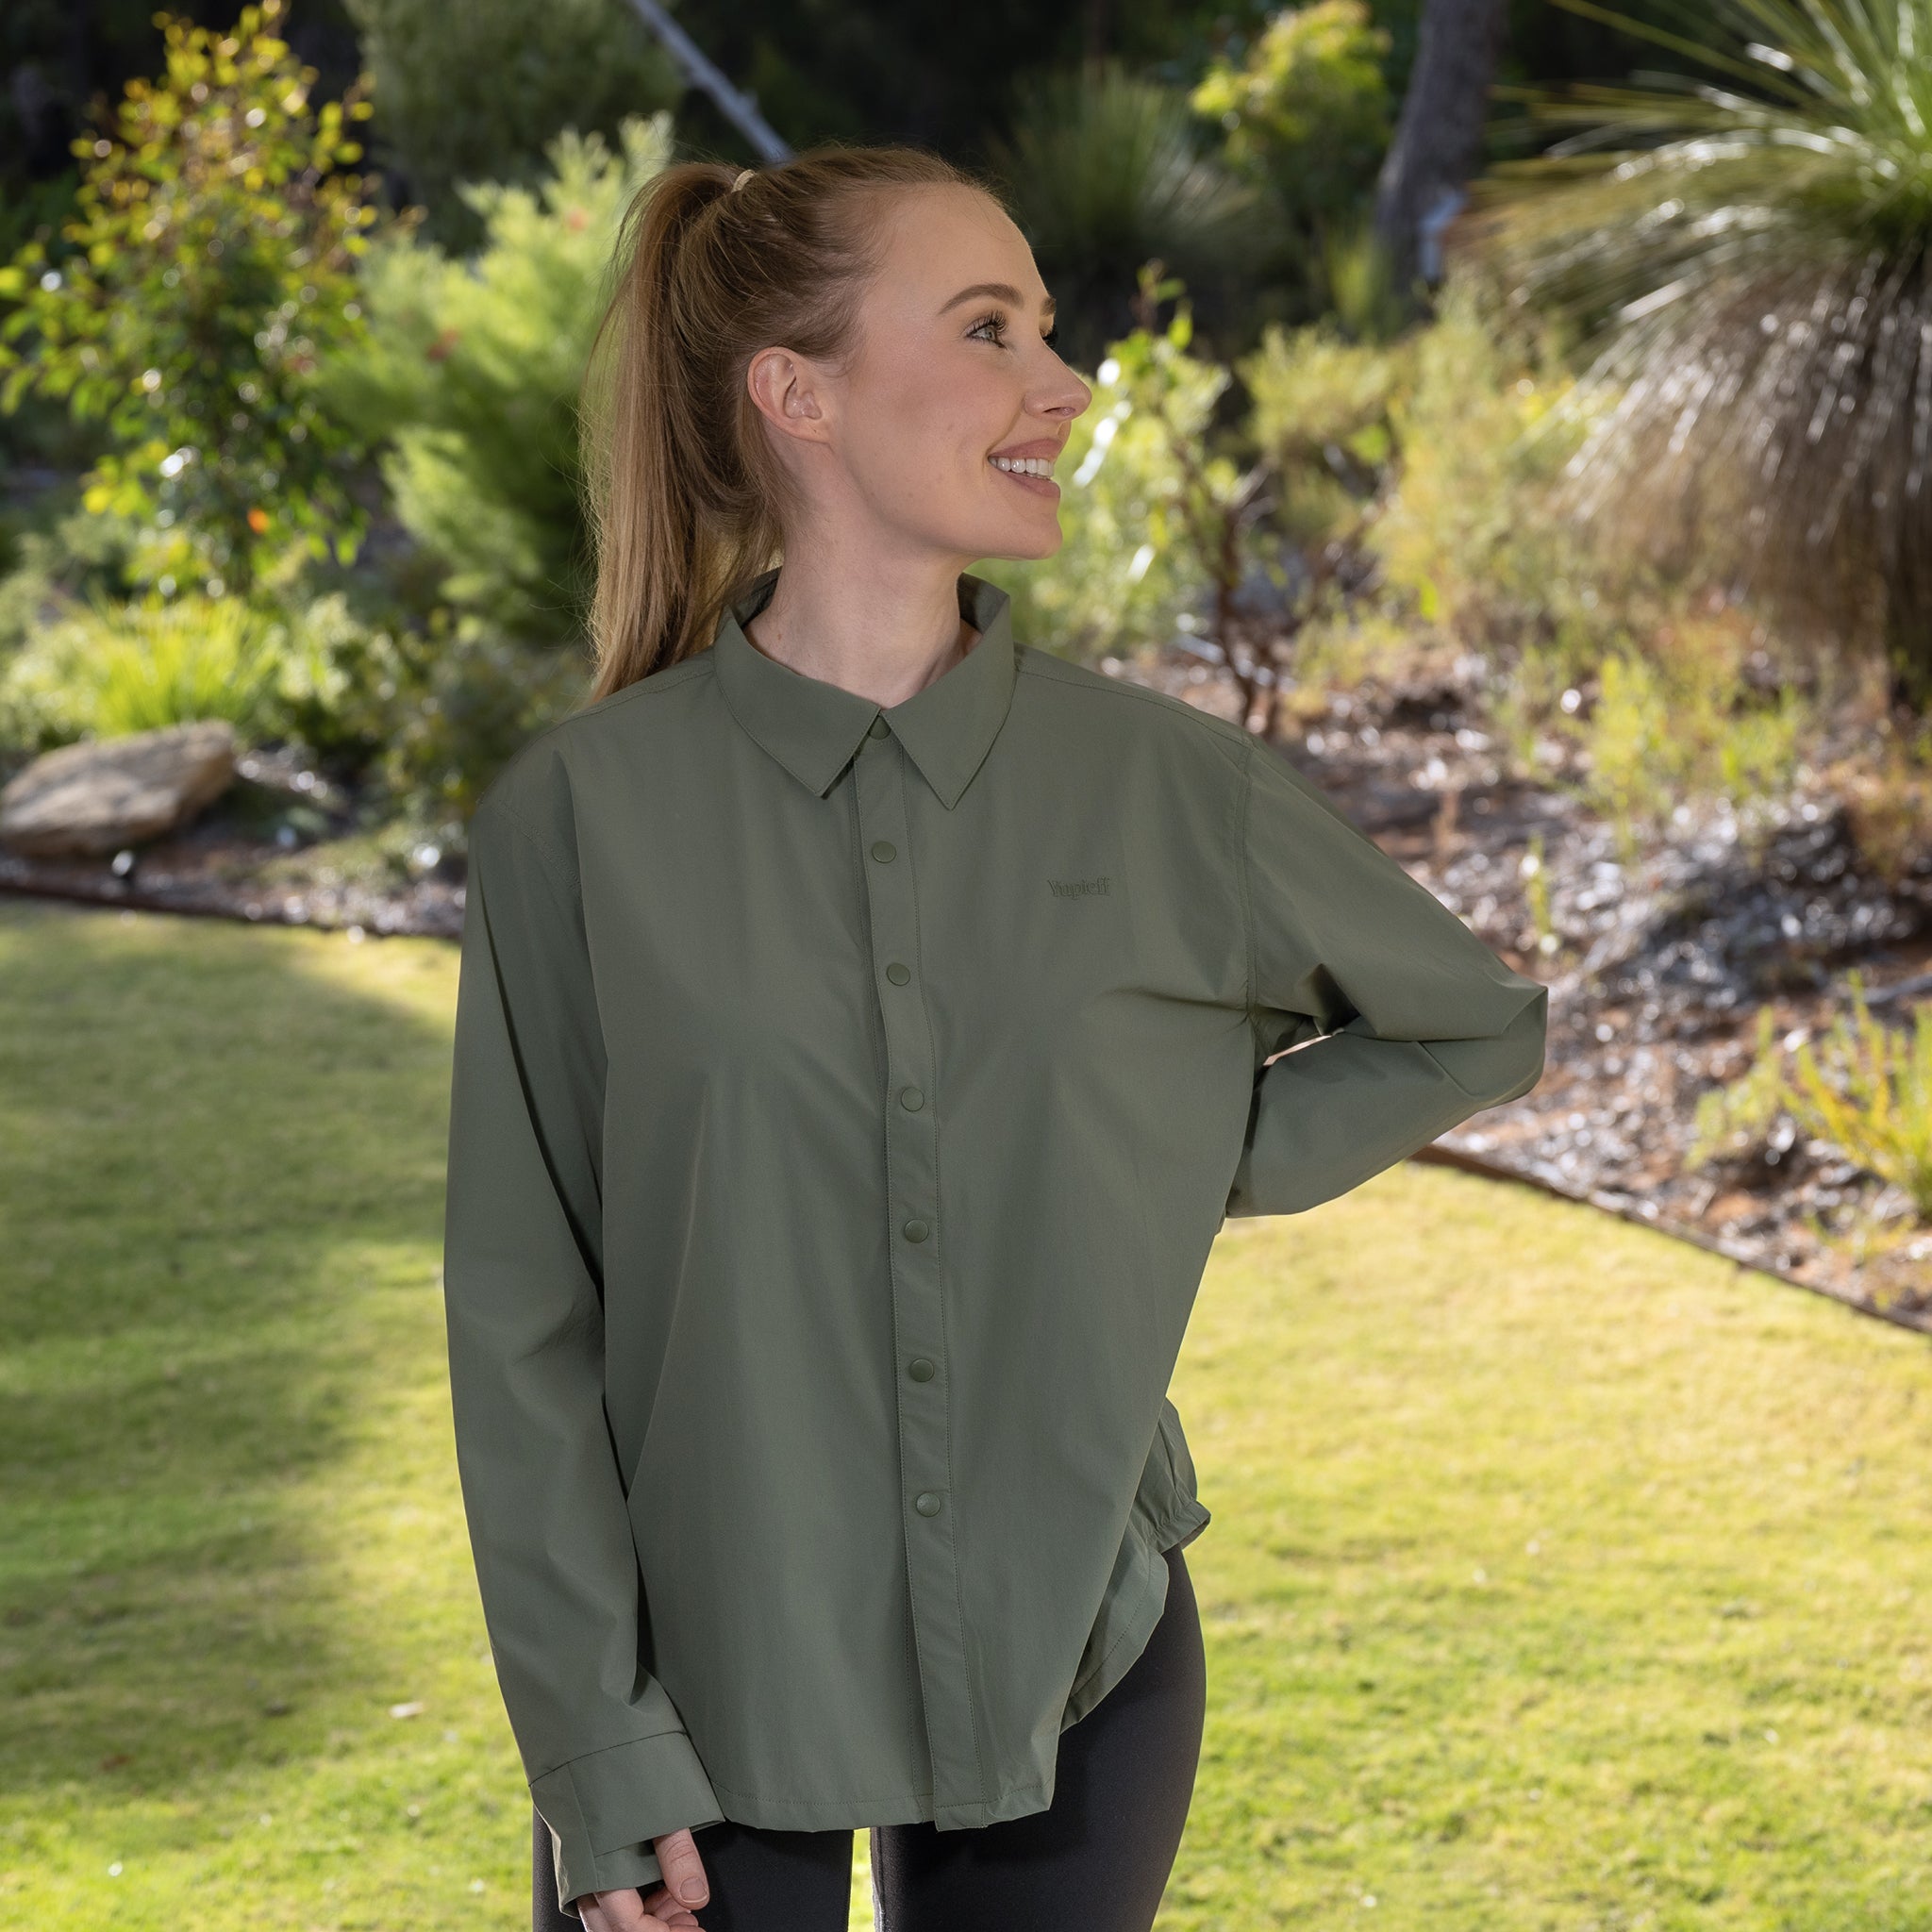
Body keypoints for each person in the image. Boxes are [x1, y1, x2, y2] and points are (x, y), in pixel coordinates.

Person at [441, 142, 1550, 1932]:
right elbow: (523, 1329)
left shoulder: (1169, 790)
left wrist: (1157, 1150)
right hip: (689, 1700)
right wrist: (592, 1745)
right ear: (797, 394)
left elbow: (1470, 1028)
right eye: (987, 329)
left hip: (1081, 1652)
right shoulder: (581, 822)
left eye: (1044, 326)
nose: (1066, 382)